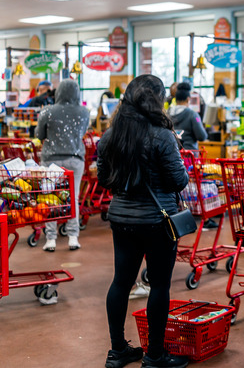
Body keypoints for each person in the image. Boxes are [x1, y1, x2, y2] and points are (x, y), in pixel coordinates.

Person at [98, 74, 190, 368]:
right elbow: (178, 181)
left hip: (121, 219)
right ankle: (154, 356)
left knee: (121, 283)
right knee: (160, 285)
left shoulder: (110, 136)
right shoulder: (162, 135)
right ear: (158, 100)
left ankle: (117, 351)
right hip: (157, 222)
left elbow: (103, 179)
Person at [35, 79, 90, 255]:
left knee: (50, 197)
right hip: (75, 159)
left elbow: (39, 134)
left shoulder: (47, 111)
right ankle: (73, 236)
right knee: (73, 197)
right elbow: (81, 133)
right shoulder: (84, 112)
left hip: (51, 159)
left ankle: (50, 239)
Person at [168, 82, 207, 151]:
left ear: (176, 99)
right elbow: (201, 136)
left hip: (172, 153)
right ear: (188, 99)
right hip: (189, 155)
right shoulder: (193, 115)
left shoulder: (167, 113)